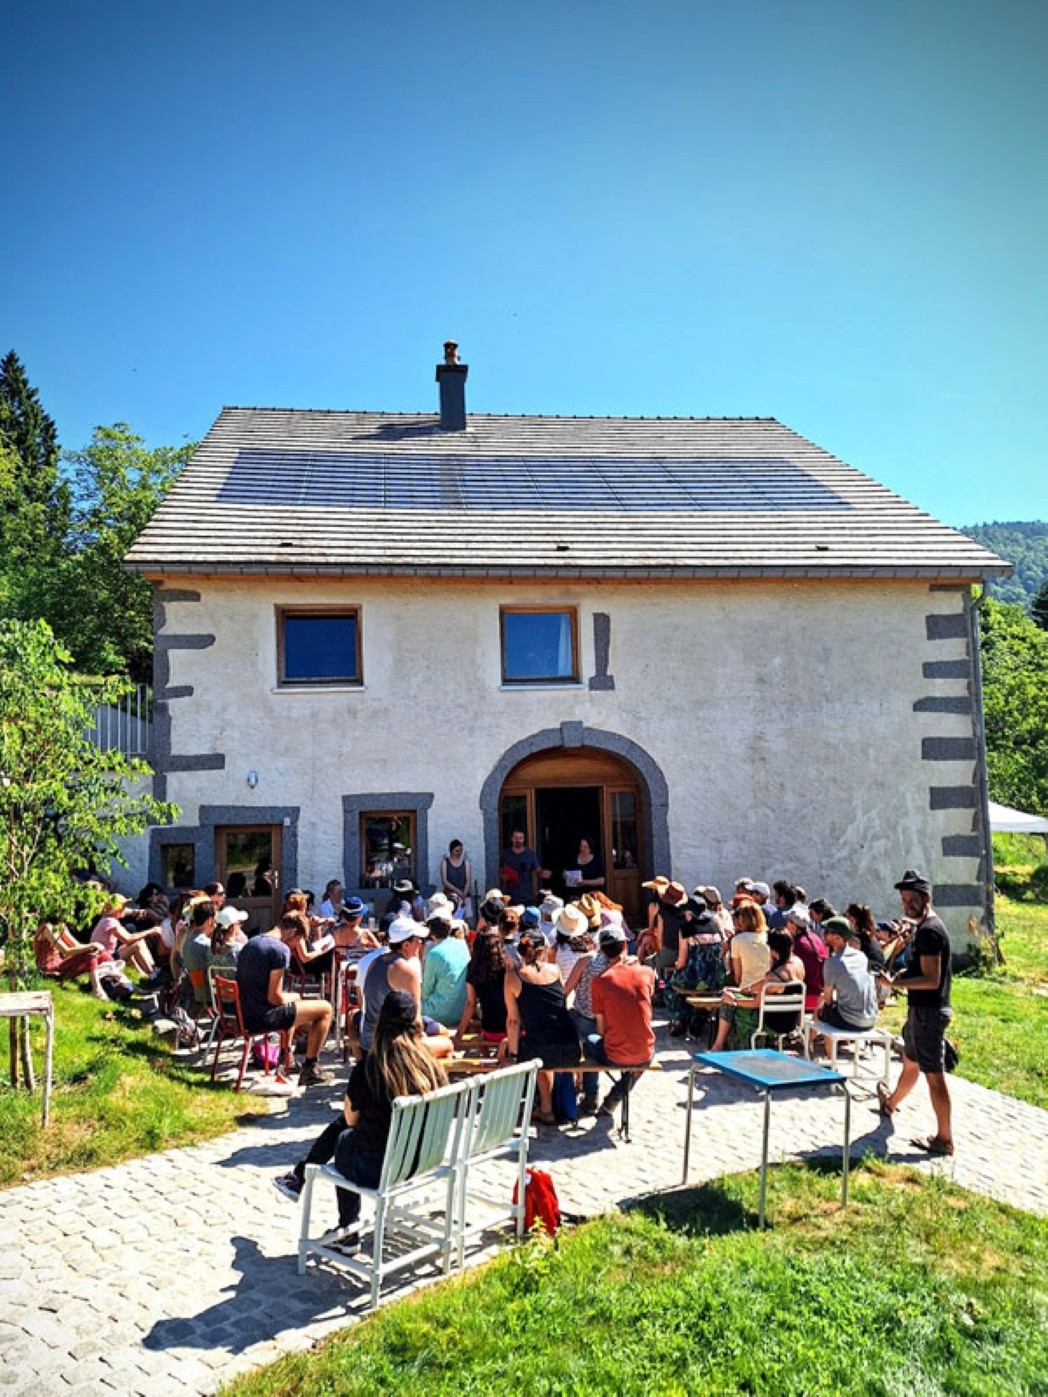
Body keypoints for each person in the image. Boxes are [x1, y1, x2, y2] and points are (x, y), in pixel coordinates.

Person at [274, 989, 446, 1239]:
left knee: (344, 1136)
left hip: (382, 1167)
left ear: (380, 1021)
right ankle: (299, 1177)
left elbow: (351, 1120)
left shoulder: (372, 1067)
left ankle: (346, 1228)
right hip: (421, 1158)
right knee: (347, 1132)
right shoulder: (429, 1066)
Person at [875, 870, 955, 1156]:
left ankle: (944, 1139)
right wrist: (901, 972)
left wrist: (894, 983)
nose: (907, 903)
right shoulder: (923, 928)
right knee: (910, 1061)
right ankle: (890, 1103)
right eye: (904, 898)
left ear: (926, 899)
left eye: (912, 899)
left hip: (929, 1013)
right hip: (920, 1011)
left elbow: (931, 979)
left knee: (934, 1074)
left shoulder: (930, 932)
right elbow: (921, 969)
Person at [235, 919, 333, 1087]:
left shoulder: (252, 943)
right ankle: (310, 1067)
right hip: (262, 1018)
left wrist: (293, 998)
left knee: (294, 1001)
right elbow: (275, 997)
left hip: (244, 1013)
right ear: (292, 932)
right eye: (297, 941)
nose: (295, 947)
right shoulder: (280, 950)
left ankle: (287, 1057)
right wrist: (293, 997)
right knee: (326, 1009)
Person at [503, 927, 580, 1124]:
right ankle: (546, 1108)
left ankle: (543, 1108)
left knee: (527, 1050)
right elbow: (560, 1002)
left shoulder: (514, 976)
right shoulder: (555, 971)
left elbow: (513, 1020)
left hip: (540, 1047)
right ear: (543, 950)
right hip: (568, 1045)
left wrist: (512, 1055)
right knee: (542, 1047)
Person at [584, 924, 656, 1119]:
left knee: (588, 1040)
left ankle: (590, 1096)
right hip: (645, 1050)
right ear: (625, 945)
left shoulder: (599, 982)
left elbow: (601, 1029)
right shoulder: (647, 973)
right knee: (639, 1060)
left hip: (615, 1054)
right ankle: (612, 1100)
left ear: (602, 951)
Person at [359, 917, 454, 1058]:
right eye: (418, 940)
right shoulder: (406, 972)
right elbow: (416, 1021)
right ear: (406, 945)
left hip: (368, 1040)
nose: (421, 944)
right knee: (447, 1044)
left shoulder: (375, 962)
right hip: (391, 1046)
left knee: (441, 1032)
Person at [710, 928, 805, 1051]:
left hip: (771, 1023)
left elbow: (755, 1003)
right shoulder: (798, 964)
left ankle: (718, 1045)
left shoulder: (773, 977)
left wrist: (733, 1001)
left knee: (727, 1006)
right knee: (733, 998)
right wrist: (744, 989)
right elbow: (766, 986)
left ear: (774, 951)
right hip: (790, 1021)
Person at [815, 915, 878, 1035]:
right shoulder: (861, 956)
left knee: (821, 1009)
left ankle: (811, 1047)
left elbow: (827, 999)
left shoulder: (833, 962)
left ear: (837, 937)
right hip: (871, 1019)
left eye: (827, 932)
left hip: (850, 1021)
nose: (823, 934)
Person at [453, 926, 509, 1043]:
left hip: (491, 1030)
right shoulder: (508, 966)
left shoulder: (473, 968)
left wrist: (459, 1034)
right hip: (511, 1030)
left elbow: (470, 1004)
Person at [34, 921, 114, 999]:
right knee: (90, 951)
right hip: (49, 968)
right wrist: (92, 946)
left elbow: (76, 945)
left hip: (59, 963)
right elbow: (66, 951)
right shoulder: (48, 928)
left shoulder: (60, 925)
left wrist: (96, 946)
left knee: (101, 953)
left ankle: (115, 979)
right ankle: (96, 989)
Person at [420, 909, 469, 1027]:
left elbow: (425, 992)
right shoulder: (462, 945)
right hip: (462, 1010)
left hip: (438, 1013)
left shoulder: (433, 953)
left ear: (431, 931)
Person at [90, 895, 157, 977]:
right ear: (117, 909)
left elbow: (126, 912)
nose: (125, 909)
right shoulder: (110, 922)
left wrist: (137, 911)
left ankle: (150, 970)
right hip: (104, 958)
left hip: (107, 953)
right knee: (137, 945)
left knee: (138, 941)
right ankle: (153, 975)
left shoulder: (108, 918)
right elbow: (128, 939)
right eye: (123, 906)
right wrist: (151, 931)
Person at [784, 904, 828, 1012]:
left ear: (794, 925)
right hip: (820, 998)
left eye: (788, 921)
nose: (785, 925)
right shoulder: (816, 938)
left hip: (804, 997)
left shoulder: (797, 945)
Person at [724, 900, 772, 989]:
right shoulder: (770, 937)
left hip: (747, 989)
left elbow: (738, 975)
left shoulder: (737, 940)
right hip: (767, 988)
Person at [499, 830, 544, 901]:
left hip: (527, 895)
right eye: (516, 838)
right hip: (510, 895)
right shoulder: (505, 854)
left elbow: (537, 871)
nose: (518, 840)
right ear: (512, 839)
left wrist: (543, 873)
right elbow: (500, 871)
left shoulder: (530, 854)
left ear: (523, 839)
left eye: (520, 838)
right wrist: (504, 876)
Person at [439, 839, 473, 919]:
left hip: (464, 894)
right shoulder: (445, 862)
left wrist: (464, 894)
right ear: (451, 851)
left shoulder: (466, 863)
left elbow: (468, 880)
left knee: (465, 918)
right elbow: (445, 881)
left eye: (461, 850)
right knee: (451, 917)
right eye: (456, 851)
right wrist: (458, 892)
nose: (459, 853)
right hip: (450, 895)